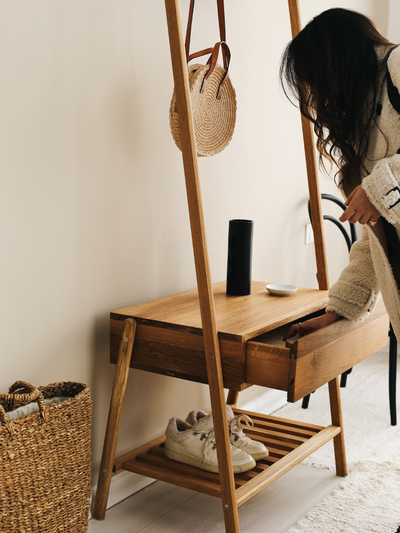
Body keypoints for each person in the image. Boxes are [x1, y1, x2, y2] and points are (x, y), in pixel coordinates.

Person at [280, 8, 400, 342]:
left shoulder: (398, 65)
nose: (320, 97)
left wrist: (378, 188)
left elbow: (383, 191)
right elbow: (377, 246)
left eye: (316, 80)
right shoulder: (366, 126)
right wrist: (335, 312)